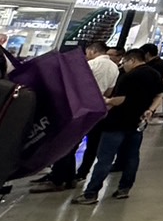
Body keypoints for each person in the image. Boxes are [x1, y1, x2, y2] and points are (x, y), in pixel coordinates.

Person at [73, 48, 163, 205]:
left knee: (105, 158)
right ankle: (124, 189)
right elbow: (160, 95)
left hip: (117, 122)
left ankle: (91, 193)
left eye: (125, 62)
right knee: (132, 157)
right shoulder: (155, 74)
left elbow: (121, 99)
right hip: (138, 122)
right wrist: (150, 110)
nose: (123, 65)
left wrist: (107, 101)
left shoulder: (128, 76)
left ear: (132, 60)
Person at [31, 41, 118, 193]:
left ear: (92, 51)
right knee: (75, 143)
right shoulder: (114, 68)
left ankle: (57, 179)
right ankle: (69, 177)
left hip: (78, 107)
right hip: (96, 108)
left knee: (64, 143)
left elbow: (72, 84)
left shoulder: (90, 65)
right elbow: (109, 92)